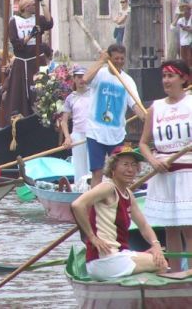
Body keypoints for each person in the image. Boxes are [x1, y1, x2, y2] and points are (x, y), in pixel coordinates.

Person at [71, 145, 167, 281]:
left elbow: (144, 225)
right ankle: (156, 299)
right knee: (161, 263)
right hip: (104, 259)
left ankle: (143, 295)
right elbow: (77, 205)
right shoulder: (108, 187)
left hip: (118, 256)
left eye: (134, 165)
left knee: (158, 257)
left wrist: (155, 245)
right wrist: (92, 237)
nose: (130, 169)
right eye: (125, 164)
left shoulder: (128, 194)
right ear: (113, 168)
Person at [139, 59, 192, 271]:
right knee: (170, 228)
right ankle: (176, 271)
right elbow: (143, 143)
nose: (166, 80)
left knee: (188, 228)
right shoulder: (156, 108)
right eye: (164, 76)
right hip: (162, 172)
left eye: (171, 76)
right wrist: (152, 160)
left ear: (184, 78)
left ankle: (190, 273)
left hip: (187, 172)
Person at [83, 44, 145, 188]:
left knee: (119, 173)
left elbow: (136, 105)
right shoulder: (100, 74)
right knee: (97, 172)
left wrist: (145, 117)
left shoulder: (127, 80)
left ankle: (119, 202)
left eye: (122, 59)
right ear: (109, 58)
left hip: (117, 135)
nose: (119, 61)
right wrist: (101, 61)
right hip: (95, 132)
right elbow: (85, 79)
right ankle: (95, 206)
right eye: (115, 58)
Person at [2, 0, 53, 119]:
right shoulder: (14, 21)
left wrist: (43, 3)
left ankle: (44, 114)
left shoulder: (37, 19)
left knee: (40, 90)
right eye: (32, 5)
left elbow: (49, 22)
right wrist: (30, 35)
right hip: (22, 61)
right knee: (18, 92)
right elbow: (16, 44)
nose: (34, 6)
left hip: (36, 59)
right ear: (24, 7)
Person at [61, 66, 92, 185]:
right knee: (79, 166)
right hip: (77, 135)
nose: (81, 80)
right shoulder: (70, 98)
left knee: (93, 165)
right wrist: (67, 137)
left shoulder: (93, 94)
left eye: (83, 77)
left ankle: (94, 188)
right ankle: (80, 189)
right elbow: (64, 121)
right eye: (78, 77)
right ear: (74, 79)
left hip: (93, 134)